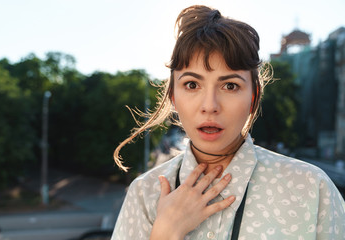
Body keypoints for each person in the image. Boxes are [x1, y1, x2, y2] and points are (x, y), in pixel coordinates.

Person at [111, 5, 345, 240]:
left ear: (253, 97)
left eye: (230, 86)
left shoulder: (312, 190)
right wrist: (164, 234)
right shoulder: (144, 194)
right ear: (173, 96)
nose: (210, 105)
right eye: (192, 85)